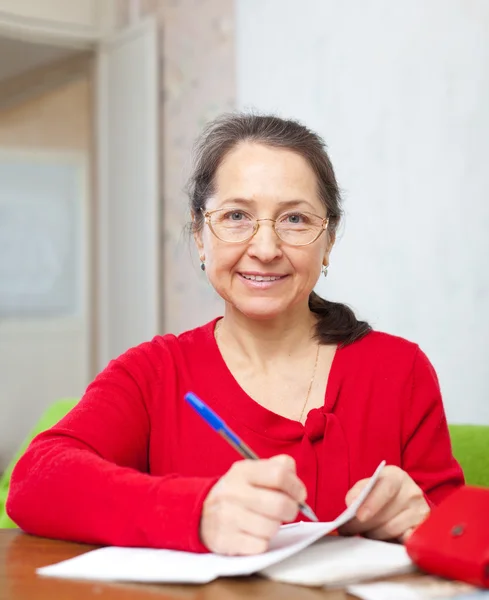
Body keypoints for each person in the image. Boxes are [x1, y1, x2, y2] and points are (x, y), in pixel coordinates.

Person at [7, 113, 463, 556]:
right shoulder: (155, 372)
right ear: (200, 235)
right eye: (236, 216)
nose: (264, 249)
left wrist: (425, 517)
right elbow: (34, 483)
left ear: (329, 239)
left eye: (296, 220)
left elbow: (460, 531)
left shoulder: (400, 371)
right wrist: (198, 511)